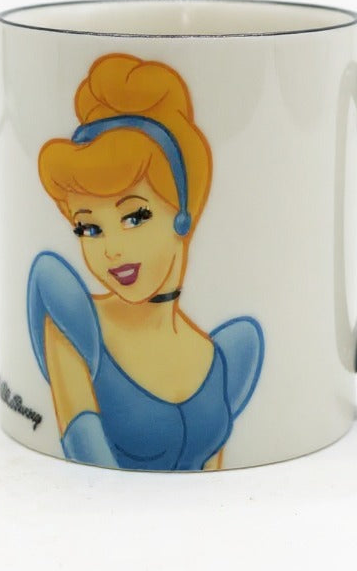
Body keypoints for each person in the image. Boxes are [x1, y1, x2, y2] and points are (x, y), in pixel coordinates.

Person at [26, 51, 264, 471]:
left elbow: (218, 479)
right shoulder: (75, 325)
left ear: (183, 213)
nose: (112, 250)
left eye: (134, 217)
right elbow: (87, 460)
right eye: (89, 228)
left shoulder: (222, 358)